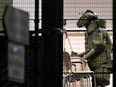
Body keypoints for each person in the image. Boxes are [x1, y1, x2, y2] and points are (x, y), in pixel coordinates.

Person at [76, 9, 113, 87]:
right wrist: (78, 55)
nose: (85, 26)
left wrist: (85, 57)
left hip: (101, 66)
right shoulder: (93, 32)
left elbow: (99, 47)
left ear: (90, 22)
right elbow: (92, 49)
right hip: (96, 65)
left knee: (99, 84)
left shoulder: (97, 30)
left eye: (85, 24)